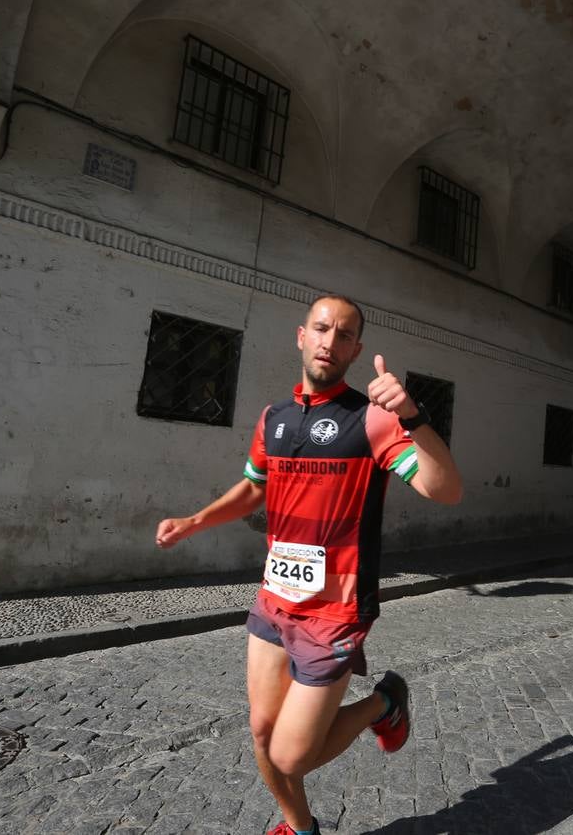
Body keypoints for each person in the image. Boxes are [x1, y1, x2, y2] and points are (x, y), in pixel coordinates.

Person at [156, 295, 463, 835]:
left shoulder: (373, 422)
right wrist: (195, 521)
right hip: (274, 601)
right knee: (260, 731)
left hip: (336, 611)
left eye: (344, 334)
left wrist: (413, 417)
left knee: (291, 755)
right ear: (302, 336)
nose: (330, 341)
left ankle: (386, 702)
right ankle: (302, 829)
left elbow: (448, 489)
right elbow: (254, 487)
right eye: (322, 329)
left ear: (356, 349)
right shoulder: (274, 418)